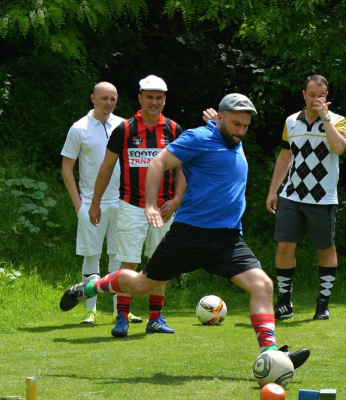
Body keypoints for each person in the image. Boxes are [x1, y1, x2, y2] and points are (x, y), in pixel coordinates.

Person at [60, 93, 311, 368]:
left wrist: (223, 126)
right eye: (236, 124)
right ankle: (91, 286)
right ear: (220, 118)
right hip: (190, 234)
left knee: (263, 285)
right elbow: (158, 163)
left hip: (227, 238)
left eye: (245, 126)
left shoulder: (232, 139)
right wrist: (151, 205)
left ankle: (271, 355)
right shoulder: (198, 138)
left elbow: (225, 144)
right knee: (143, 285)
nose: (241, 131)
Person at [87, 75, 187, 337]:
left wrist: (176, 201)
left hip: (164, 209)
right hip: (131, 205)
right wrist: (95, 203)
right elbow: (107, 167)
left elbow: (184, 170)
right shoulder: (125, 129)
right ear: (140, 97)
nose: (154, 102)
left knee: (160, 263)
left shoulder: (174, 130)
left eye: (159, 97)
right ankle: (121, 318)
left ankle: (156, 318)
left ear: (165, 99)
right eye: (149, 97)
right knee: (128, 263)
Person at [266, 74, 346, 320]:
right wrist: (273, 191)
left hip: (323, 198)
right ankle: (284, 302)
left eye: (320, 96)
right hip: (291, 195)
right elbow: (284, 157)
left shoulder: (337, 120)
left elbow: (339, 148)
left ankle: (323, 304)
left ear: (327, 97)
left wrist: (325, 118)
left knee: (325, 249)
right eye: (311, 95)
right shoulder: (291, 121)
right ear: (303, 95)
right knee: (284, 246)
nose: (316, 99)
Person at [60, 82, 125, 325]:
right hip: (90, 203)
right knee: (91, 257)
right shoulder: (79, 128)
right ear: (93, 98)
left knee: (119, 257)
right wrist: (79, 206)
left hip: (121, 202)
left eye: (113, 98)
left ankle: (122, 311)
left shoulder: (122, 125)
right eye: (104, 98)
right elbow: (67, 169)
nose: (108, 103)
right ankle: (90, 310)